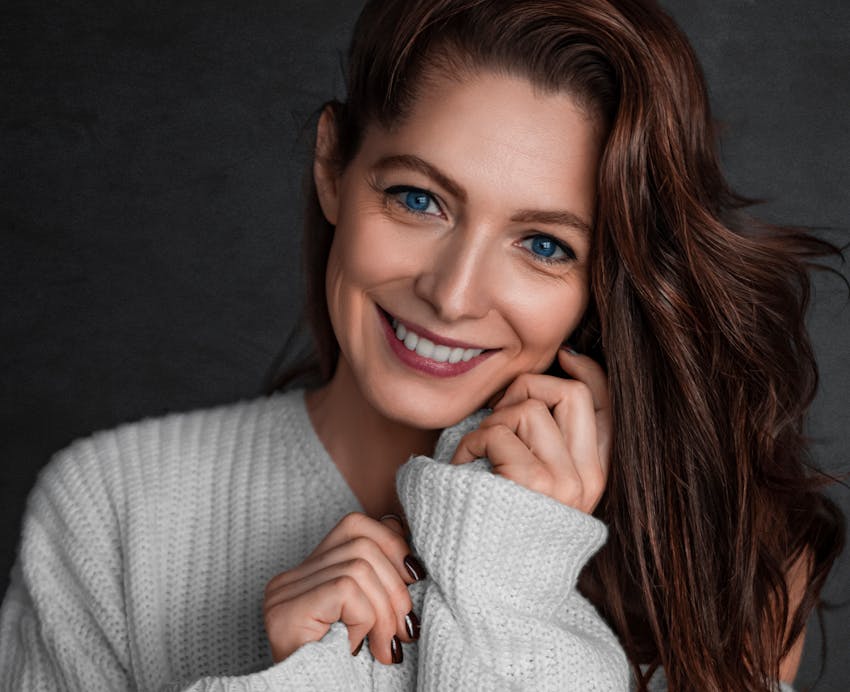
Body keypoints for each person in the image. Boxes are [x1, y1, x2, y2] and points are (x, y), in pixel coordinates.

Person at [0, 0, 844, 690]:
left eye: (545, 245)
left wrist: (512, 587)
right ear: (333, 165)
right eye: (417, 199)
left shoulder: (725, 567)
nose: (453, 292)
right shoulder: (112, 510)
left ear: (604, 280)